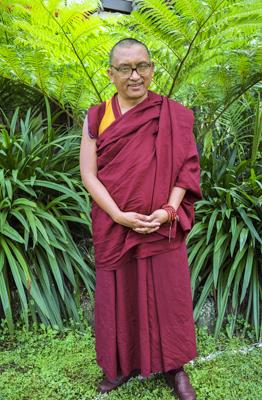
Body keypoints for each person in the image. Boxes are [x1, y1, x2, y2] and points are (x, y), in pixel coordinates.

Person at [79, 38, 202, 400]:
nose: (136, 76)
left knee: (168, 294)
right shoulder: (97, 116)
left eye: (143, 66)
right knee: (118, 293)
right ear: (111, 73)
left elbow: (186, 168)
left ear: (151, 68)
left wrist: (168, 211)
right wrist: (119, 215)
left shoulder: (172, 115)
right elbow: (89, 174)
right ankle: (120, 365)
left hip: (161, 225)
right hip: (115, 224)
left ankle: (174, 368)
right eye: (125, 69)